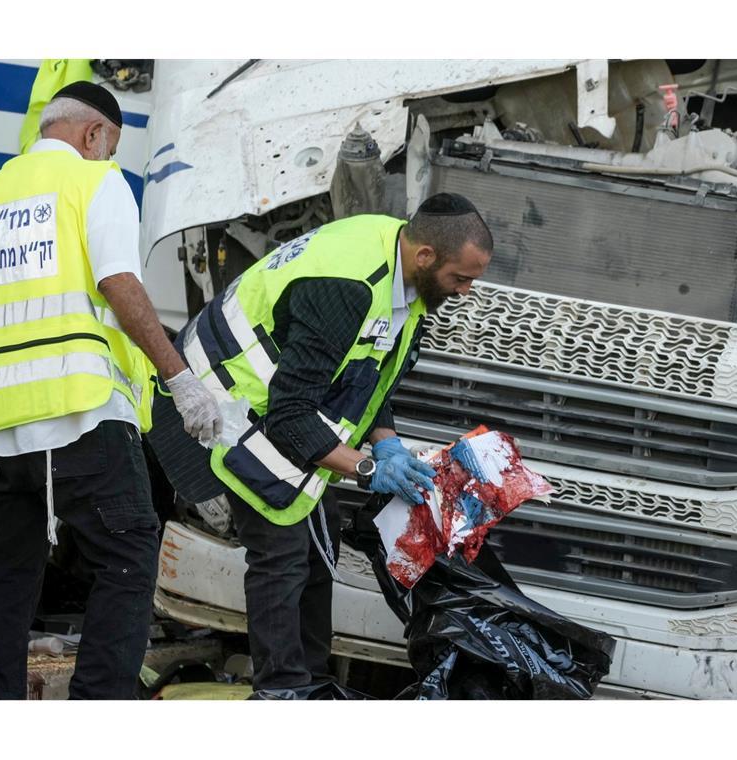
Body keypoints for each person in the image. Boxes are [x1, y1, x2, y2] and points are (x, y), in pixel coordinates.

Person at [0, 82, 222, 700]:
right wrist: (178, 376)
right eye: (111, 147)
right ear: (93, 135)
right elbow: (117, 279)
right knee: (128, 559)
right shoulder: (94, 182)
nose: (109, 157)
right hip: (79, 416)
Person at [164, 192, 493, 697]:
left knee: (319, 548)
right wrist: (364, 469)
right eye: (461, 278)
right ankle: (281, 692)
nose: (467, 292)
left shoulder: (403, 274)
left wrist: (388, 444)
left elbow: (368, 375)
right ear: (426, 256)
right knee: (282, 552)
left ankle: (311, 685)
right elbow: (291, 416)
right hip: (223, 402)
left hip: (275, 402)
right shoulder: (349, 286)